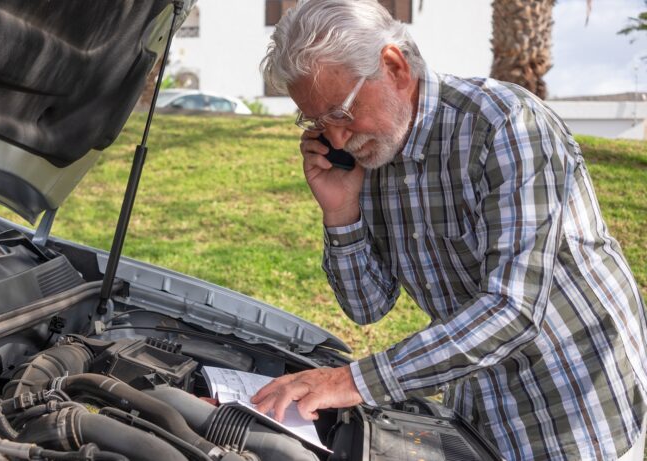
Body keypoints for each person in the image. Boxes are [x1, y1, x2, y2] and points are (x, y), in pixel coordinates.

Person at [249, 1, 647, 459]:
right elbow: (367, 305)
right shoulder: (371, 153)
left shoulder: (507, 124)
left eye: (340, 112)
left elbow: (513, 309)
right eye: (317, 120)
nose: (336, 139)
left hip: (575, 406)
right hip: (478, 404)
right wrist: (342, 213)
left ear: (394, 66)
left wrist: (352, 381)